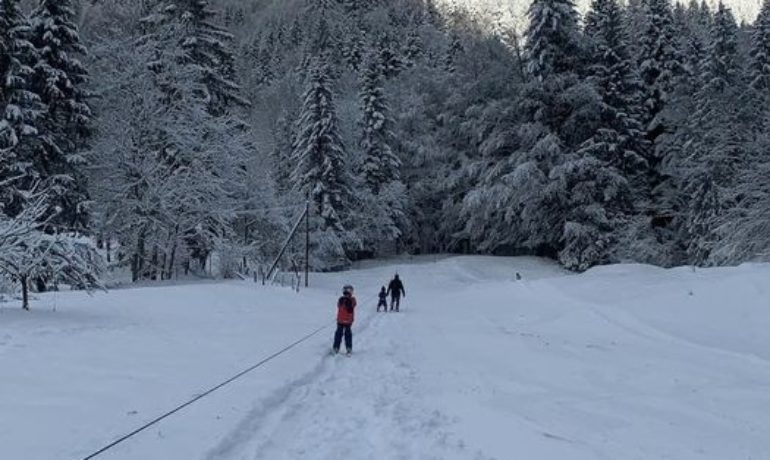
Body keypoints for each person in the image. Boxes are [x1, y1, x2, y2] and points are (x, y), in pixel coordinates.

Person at [332, 284, 357, 355]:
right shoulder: (341, 299)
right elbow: (339, 306)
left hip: (347, 321)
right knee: (339, 334)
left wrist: (348, 302)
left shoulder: (352, 300)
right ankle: (336, 347)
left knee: (346, 335)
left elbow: (352, 307)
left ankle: (348, 348)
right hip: (341, 320)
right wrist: (343, 301)